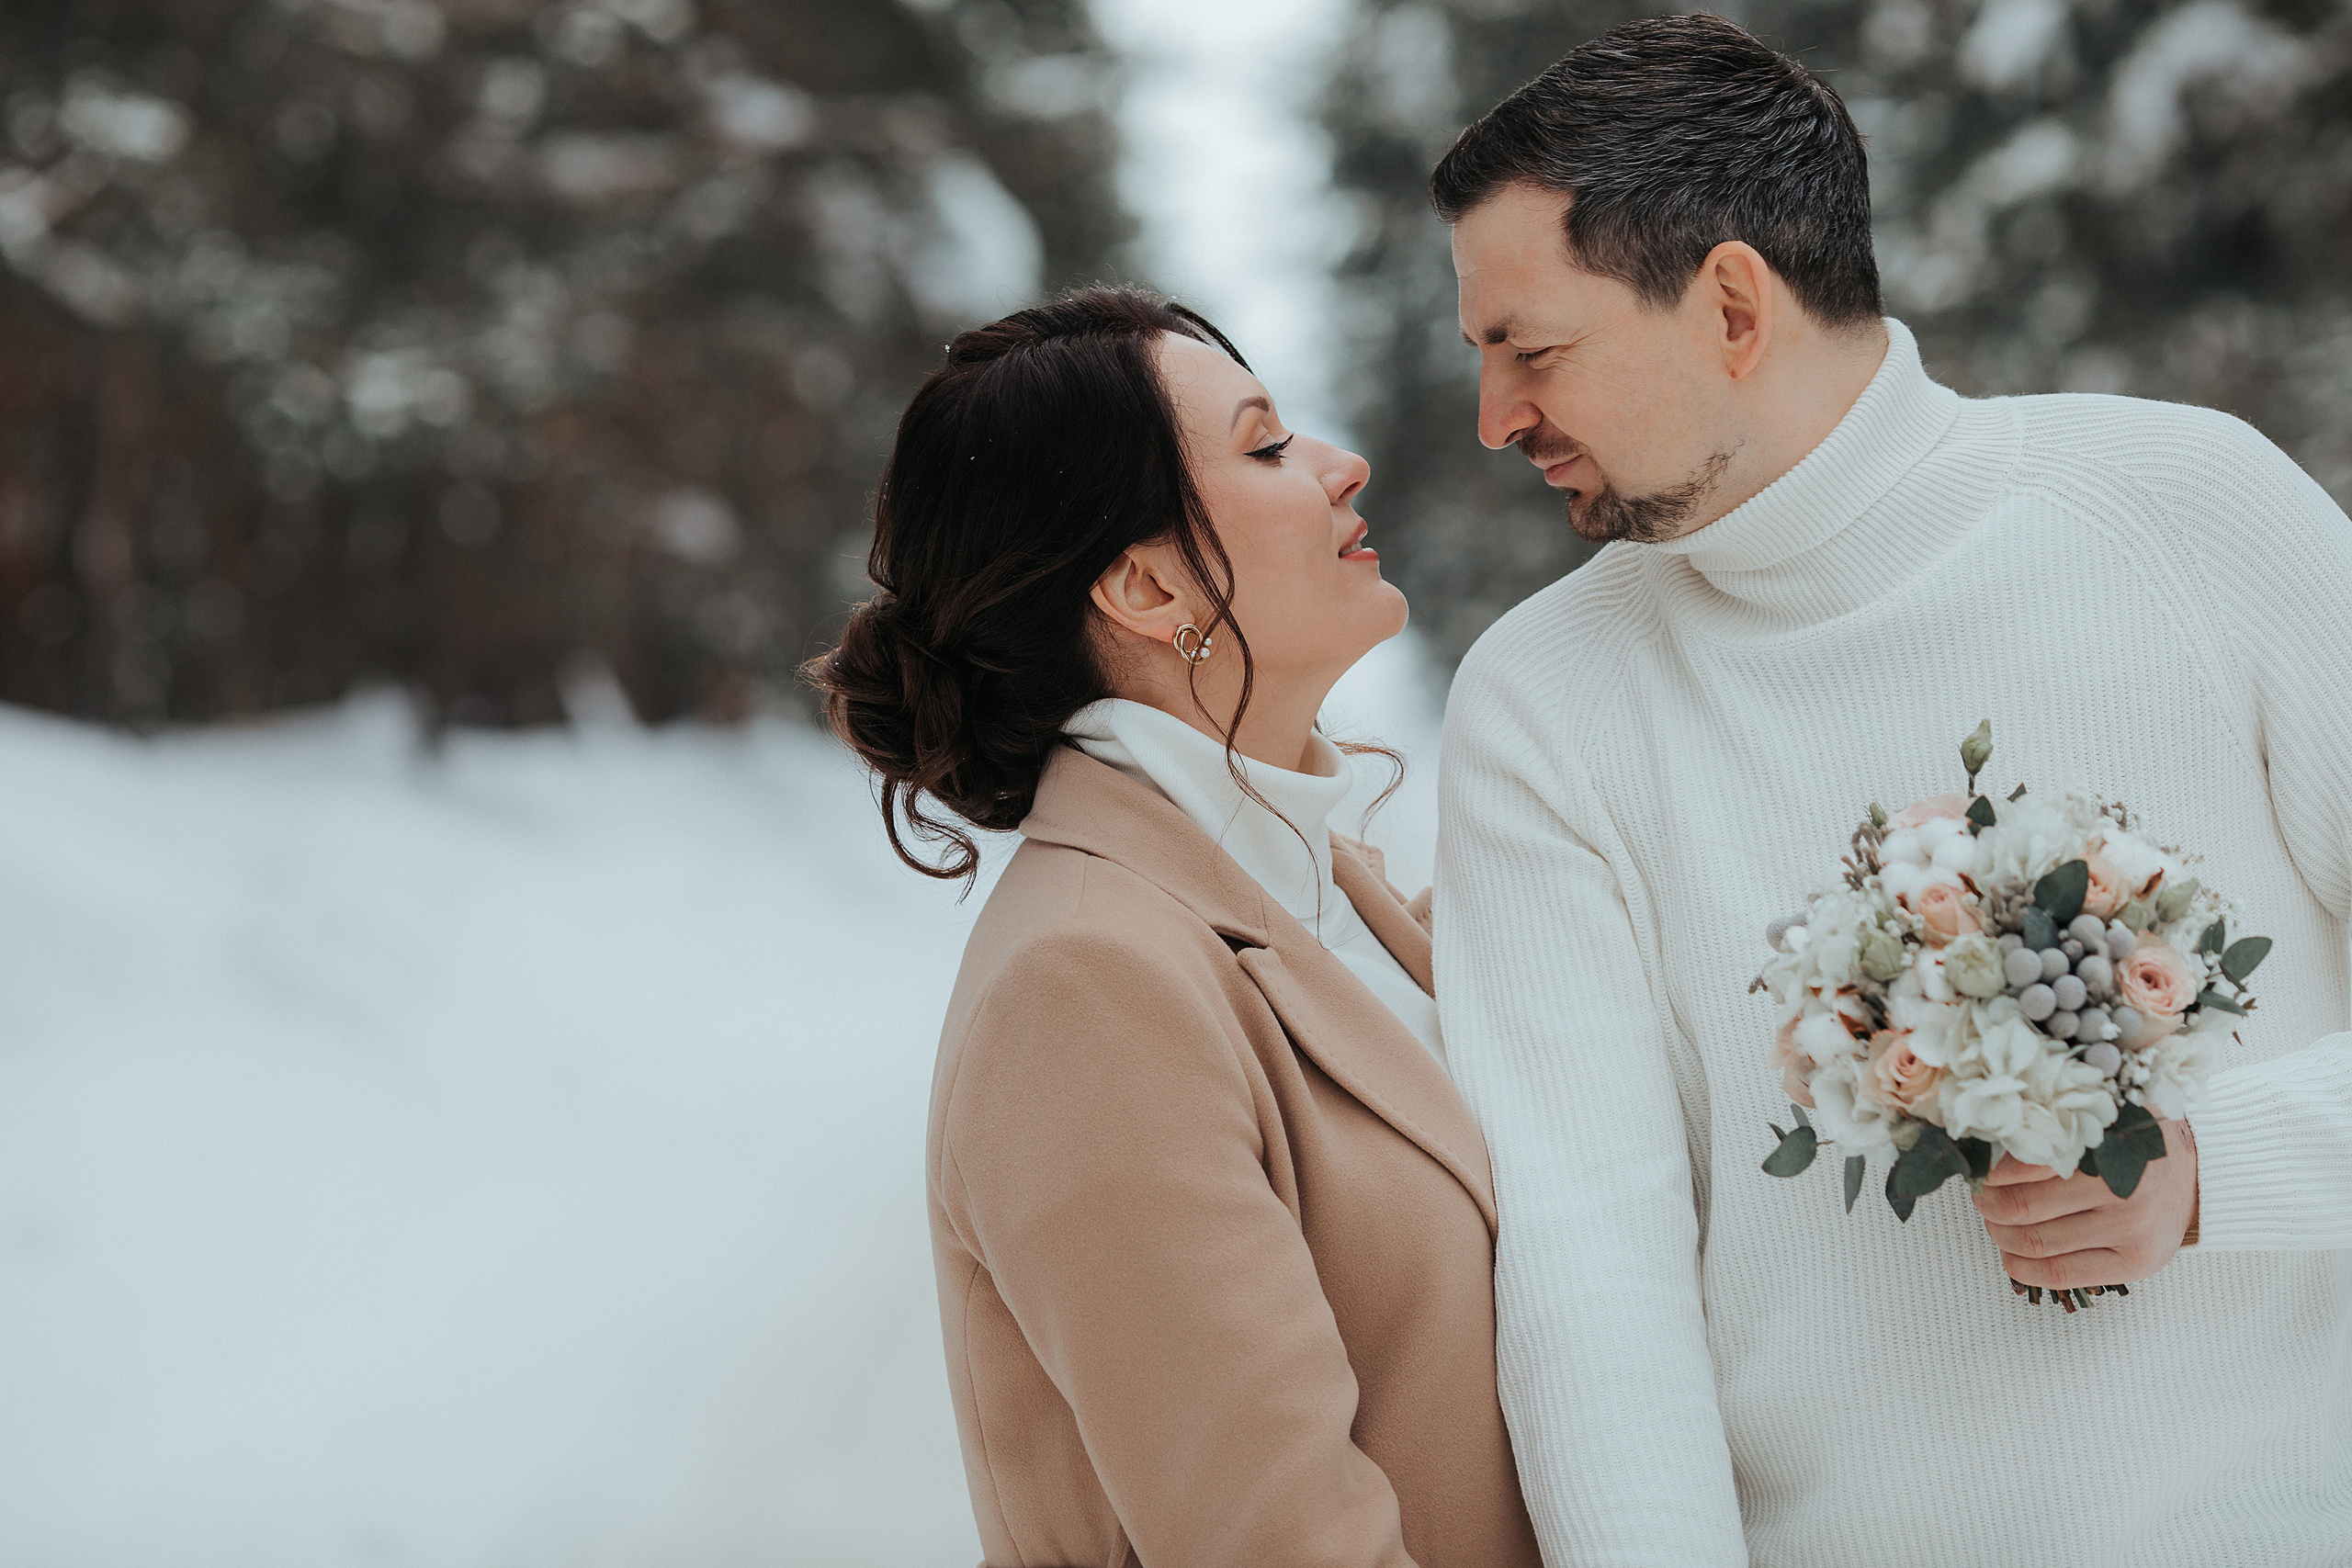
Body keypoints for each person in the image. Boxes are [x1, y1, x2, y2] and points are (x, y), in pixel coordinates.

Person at [1429, 15, 2352, 1568]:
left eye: (1532, 349)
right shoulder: (1540, 705)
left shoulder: (2197, 513)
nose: (1495, 417)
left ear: (1732, 305)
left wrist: (2210, 1172)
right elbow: (1593, 1267)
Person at [806, 287, 1541, 1568]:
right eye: (1268, 447)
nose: (1341, 465)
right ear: (1147, 586)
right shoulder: (1088, 985)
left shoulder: (1322, 892)